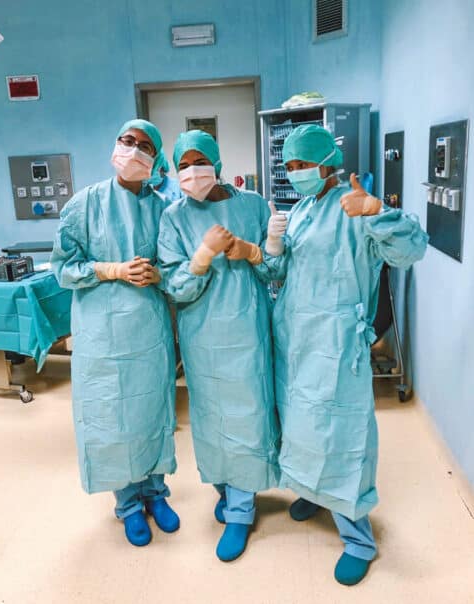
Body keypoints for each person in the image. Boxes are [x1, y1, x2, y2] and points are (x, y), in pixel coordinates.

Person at [265, 124, 428, 585]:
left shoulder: (352, 207)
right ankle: (315, 492)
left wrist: (376, 211)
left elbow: (411, 249)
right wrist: (272, 245)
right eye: (290, 166)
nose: (296, 173)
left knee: (341, 432)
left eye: (303, 165)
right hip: (295, 339)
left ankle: (358, 537)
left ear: (326, 163)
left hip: (336, 343)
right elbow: (281, 271)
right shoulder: (300, 210)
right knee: (301, 425)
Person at [51, 119, 179, 547]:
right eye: (128, 141)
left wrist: (158, 273)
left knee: (150, 412)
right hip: (103, 336)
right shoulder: (84, 204)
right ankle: (127, 503)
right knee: (114, 417)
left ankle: (155, 492)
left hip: (149, 332)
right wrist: (109, 269)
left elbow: (177, 265)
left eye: (145, 146)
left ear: (155, 160)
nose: (134, 150)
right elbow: (63, 269)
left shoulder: (164, 208)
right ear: (115, 145)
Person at [157, 130, 280, 562]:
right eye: (183, 165)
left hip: (247, 331)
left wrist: (251, 253)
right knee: (211, 419)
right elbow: (176, 287)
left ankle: (242, 511)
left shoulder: (252, 205)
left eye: (198, 161)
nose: (192, 172)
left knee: (247, 416)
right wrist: (201, 258)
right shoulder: (173, 217)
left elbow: (275, 271)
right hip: (201, 335)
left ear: (217, 162)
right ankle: (226, 487)